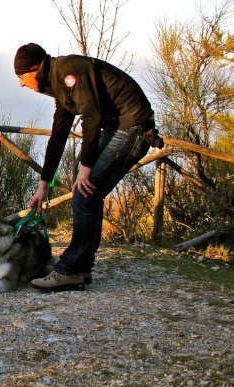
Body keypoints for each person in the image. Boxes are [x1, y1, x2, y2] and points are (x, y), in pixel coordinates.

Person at [14, 42, 163, 292]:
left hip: (133, 127)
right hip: (116, 127)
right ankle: (79, 268)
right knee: (87, 194)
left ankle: (71, 270)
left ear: (35, 69)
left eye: (21, 76)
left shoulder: (68, 71)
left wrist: (86, 167)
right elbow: (58, 136)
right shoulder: (58, 84)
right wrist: (43, 187)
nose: (21, 84)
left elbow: (91, 116)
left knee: (84, 193)